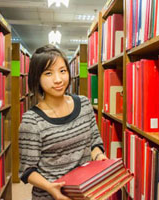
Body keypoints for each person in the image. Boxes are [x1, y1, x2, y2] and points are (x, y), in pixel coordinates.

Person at [19, 44, 108, 200]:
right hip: (50, 196)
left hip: (85, 192)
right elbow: (27, 171)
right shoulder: (31, 121)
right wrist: (50, 187)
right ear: (37, 78)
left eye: (62, 71)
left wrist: (98, 156)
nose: (58, 79)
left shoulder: (84, 104)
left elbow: (94, 142)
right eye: (48, 73)